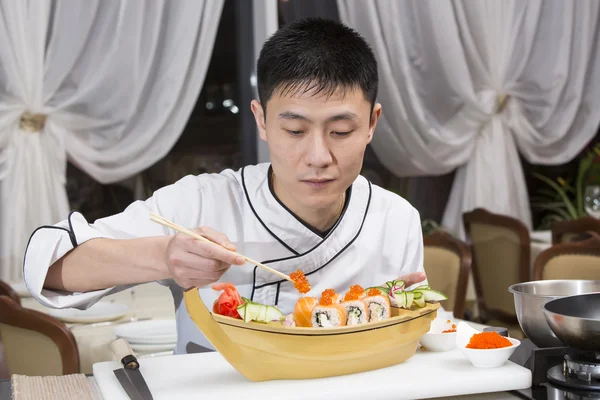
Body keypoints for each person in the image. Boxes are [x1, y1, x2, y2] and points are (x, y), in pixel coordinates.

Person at [23, 18, 427, 354]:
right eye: (295, 130)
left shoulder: (394, 220)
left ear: (371, 124)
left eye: (340, 131)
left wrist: (406, 315)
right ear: (262, 121)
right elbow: (50, 266)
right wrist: (165, 256)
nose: (318, 155)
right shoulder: (202, 202)